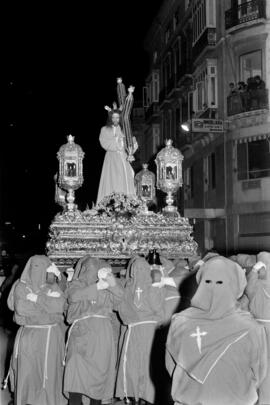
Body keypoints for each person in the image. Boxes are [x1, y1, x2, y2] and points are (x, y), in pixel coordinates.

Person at [166, 255, 268, 405]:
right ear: (237, 285)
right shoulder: (252, 328)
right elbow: (259, 374)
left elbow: (171, 367)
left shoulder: (179, 322)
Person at [5, 255, 67, 405]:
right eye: (34, 266)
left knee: (48, 376)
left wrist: (37, 299)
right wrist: (48, 304)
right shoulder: (21, 286)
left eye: (41, 267)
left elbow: (60, 306)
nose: (37, 271)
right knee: (27, 374)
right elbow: (22, 308)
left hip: (50, 337)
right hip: (29, 338)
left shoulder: (52, 286)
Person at [63, 255, 124, 405]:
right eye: (87, 268)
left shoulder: (106, 286)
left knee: (99, 375)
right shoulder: (76, 285)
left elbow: (120, 299)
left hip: (101, 335)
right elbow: (73, 296)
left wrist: (112, 283)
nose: (90, 271)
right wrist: (96, 287)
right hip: (81, 333)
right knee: (75, 373)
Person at [115, 256, 167, 405]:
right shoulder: (129, 289)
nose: (138, 272)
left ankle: (148, 397)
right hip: (137, 331)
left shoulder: (149, 287)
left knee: (148, 366)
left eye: (141, 269)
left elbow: (159, 310)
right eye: (136, 270)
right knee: (134, 366)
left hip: (149, 332)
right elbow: (123, 313)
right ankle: (136, 396)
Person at [96, 108, 137, 204]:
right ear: (110, 118)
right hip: (111, 158)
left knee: (125, 178)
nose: (115, 120)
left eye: (117, 118)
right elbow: (104, 142)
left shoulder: (125, 130)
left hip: (123, 158)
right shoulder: (105, 129)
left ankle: (127, 202)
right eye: (113, 118)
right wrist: (118, 142)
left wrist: (131, 146)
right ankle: (109, 203)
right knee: (112, 179)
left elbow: (131, 143)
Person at [245, 251, 270, 404]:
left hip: (259, 330)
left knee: (259, 367)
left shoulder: (257, 284)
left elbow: (247, 289)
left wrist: (253, 272)